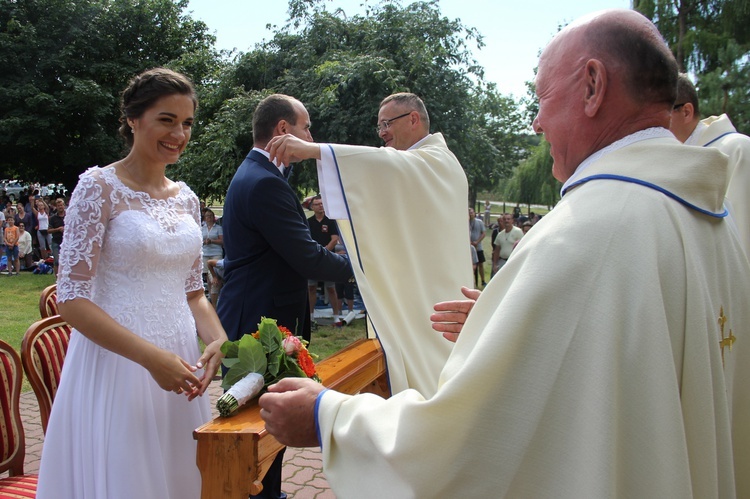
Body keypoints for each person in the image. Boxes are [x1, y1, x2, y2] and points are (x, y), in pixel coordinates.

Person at [258, 10, 750, 497]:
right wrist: (518, 318)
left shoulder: (588, 231)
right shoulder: (714, 221)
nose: (536, 123)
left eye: (542, 98)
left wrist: (328, 415)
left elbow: (468, 440)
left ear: (593, 85)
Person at [36, 67, 228, 499]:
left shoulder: (188, 197)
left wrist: (217, 339)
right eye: (166, 119)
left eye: (187, 123)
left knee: (180, 474)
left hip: (180, 362)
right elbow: (71, 299)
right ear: (133, 119)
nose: (179, 133)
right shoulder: (98, 187)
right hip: (119, 363)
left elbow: (193, 292)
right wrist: (149, 359)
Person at [264, 92, 473, 398]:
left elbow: (385, 164)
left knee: (433, 376)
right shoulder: (421, 163)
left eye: (387, 123)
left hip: (433, 292)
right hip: (422, 286)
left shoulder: (434, 161)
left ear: (413, 119)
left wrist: (315, 150)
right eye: (379, 126)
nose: (383, 132)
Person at [216, 93, 352, 499]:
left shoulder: (263, 176)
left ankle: (268, 494)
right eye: (306, 126)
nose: (311, 136)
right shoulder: (263, 182)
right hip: (256, 324)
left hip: (259, 314)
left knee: (266, 432)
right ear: (283, 129)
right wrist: (363, 270)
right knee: (257, 433)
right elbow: (308, 258)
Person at [669, 72, 750, 256]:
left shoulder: (737, 149)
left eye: (664, 112)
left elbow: (743, 235)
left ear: (686, 112)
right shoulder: (676, 162)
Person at [306, 194, 341, 320]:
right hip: (313, 258)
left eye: (322, 204)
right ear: (312, 207)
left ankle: (336, 316)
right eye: (317, 204)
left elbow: (335, 239)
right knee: (311, 287)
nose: (320, 206)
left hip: (328, 257)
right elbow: (306, 239)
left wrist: (324, 251)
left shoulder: (330, 221)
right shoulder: (308, 222)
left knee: (331, 287)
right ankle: (310, 316)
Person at [201, 208, 223, 291]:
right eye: (207, 216)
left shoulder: (218, 228)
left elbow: (222, 241)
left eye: (210, 216)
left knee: (216, 274)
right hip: (205, 253)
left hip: (216, 253)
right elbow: (199, 241)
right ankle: (211, 293)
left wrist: (212, 241)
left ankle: (216, 293)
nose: (209, 218)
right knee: (208, 275)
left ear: (213, 217)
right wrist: (204, 242)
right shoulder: (202, 228)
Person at [468, 207, 487, 286]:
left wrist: (477, 242)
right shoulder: (466, 223)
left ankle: (483, 280)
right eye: (469, 213)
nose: (470, 214)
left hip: (478, 247)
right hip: (470, 247)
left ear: (474, 213)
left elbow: (483, 233)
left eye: (472, 212)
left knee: (480, 264)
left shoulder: (479, 222)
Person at [48, 197, 66, 274]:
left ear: (64, 206)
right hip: (56, 241)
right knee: (56, 261)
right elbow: (48, 230)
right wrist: (57, 229)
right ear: (56, 206)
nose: (60, 207)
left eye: (61, 205)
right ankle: (57, 279)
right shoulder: (53, 218)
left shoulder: (69, 216)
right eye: (58, 205)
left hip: (66, 241)